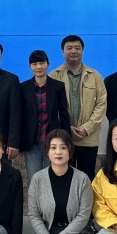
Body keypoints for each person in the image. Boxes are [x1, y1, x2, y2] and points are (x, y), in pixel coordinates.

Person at [28, 129, 93, 234]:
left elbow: (83, 216)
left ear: (70, 151)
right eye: (53, 147)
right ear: (47, 151)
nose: (58, 152)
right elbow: (33, 215)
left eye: (63, 147)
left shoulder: (82, 179)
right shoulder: (37, 179)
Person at [49, 35, 107, 183]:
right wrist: (66, 128)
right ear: (62, 51)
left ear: (82, 51)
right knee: (62, 178)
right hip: (63, 138)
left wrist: (86, 128)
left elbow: (101, 105)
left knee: (87, 178)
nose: (73, 51)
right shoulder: (53, 76)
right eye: (69, 48)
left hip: (88, 138)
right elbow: (50, 108)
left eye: (77, 48)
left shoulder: (95, 76)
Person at [21, 50, 71, 183]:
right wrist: (19, 142)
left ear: (48, 64)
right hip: (31, 143)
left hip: (53, 142)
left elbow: (64, 115)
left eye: (41, 63)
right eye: (34, 64)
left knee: (53, 179)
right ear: (30, 67)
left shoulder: (58, 86)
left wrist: (67, 140)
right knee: (34, 180)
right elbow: (20, 116)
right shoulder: (23, 88)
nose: (38, 67)